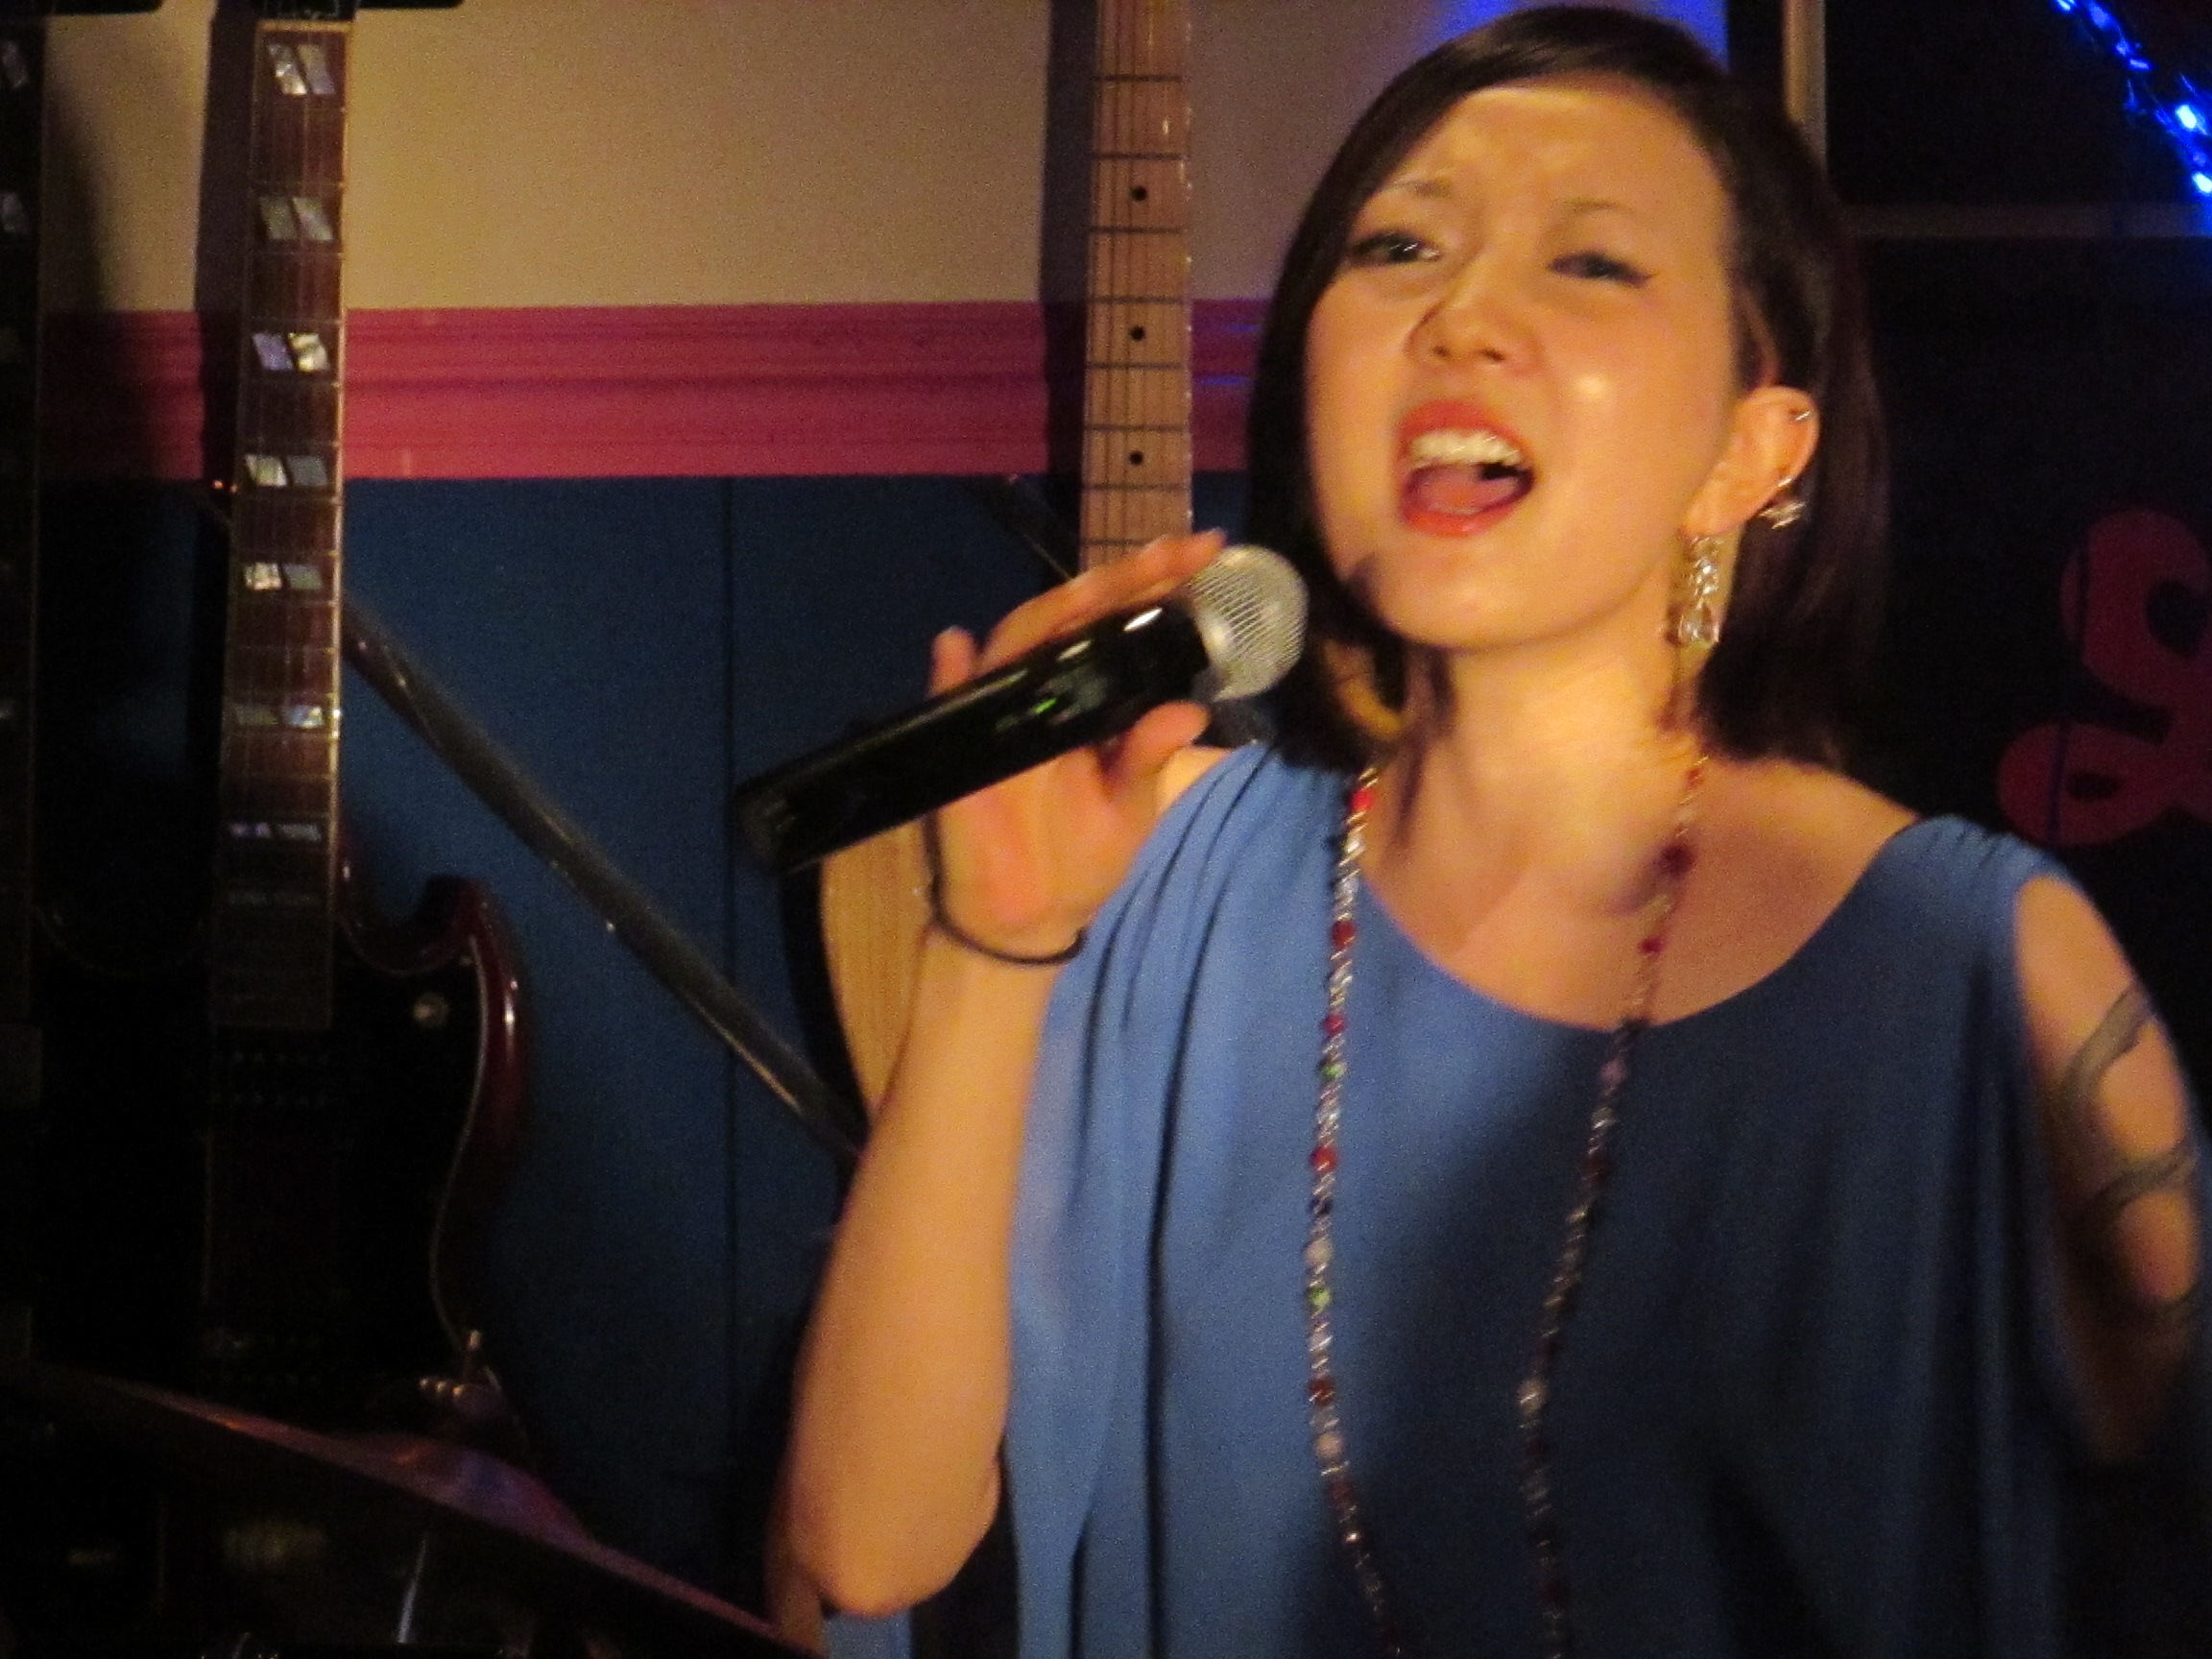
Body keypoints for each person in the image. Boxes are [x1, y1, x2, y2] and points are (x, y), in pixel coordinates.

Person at [781, 10, 2211, 1656]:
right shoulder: (1160, 874)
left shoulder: (1968, 967)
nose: (1462, 317)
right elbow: (864, 1549)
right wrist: (994, 941)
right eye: (1400, 249)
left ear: (1753, 449)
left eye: (1590, 264)